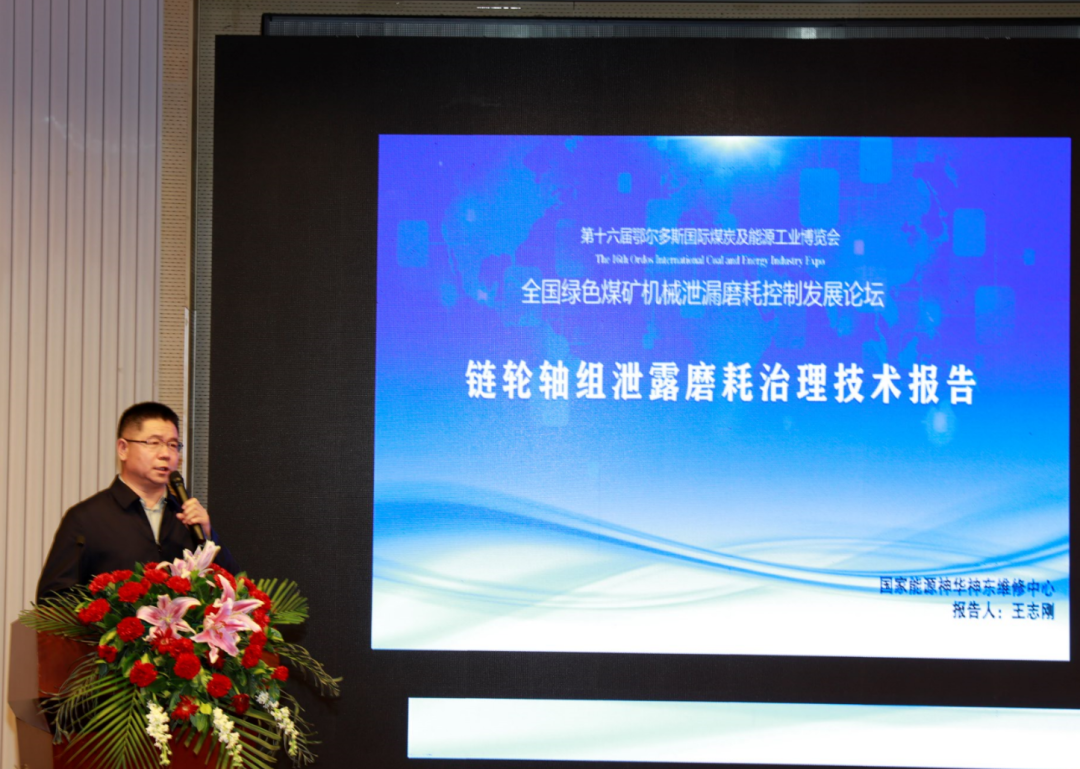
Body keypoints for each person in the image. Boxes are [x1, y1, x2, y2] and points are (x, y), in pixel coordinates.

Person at [37, 402, 239, 600]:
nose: (166, 454)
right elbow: (52, 599)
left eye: (173, 445)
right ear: (123, 449)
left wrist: (208, 537)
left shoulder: (188, 518)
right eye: (153, 443)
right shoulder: (86, 519)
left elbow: (235, 591)